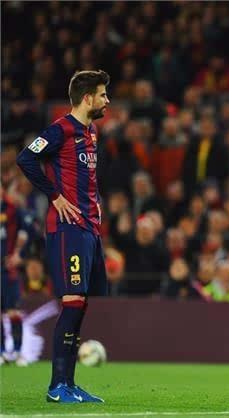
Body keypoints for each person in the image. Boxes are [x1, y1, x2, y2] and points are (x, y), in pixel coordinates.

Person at [16, 70, 111, 403]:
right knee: (71, 304)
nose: (106, 100)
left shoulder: (92, 132)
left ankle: (69, 384)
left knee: (80, 305)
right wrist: (54, 196)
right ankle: (57, 386)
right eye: (102, 94)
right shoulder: (60, 130)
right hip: (67, 228)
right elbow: (26, 158)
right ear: (87, 98)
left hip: (88, 227)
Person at [0, 183, 33, 366]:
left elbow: (29, 230)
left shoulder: (13, 210)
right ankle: (2, 352)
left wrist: (20, 255)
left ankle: (19, 352)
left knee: (13, 312)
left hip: (8, 269)